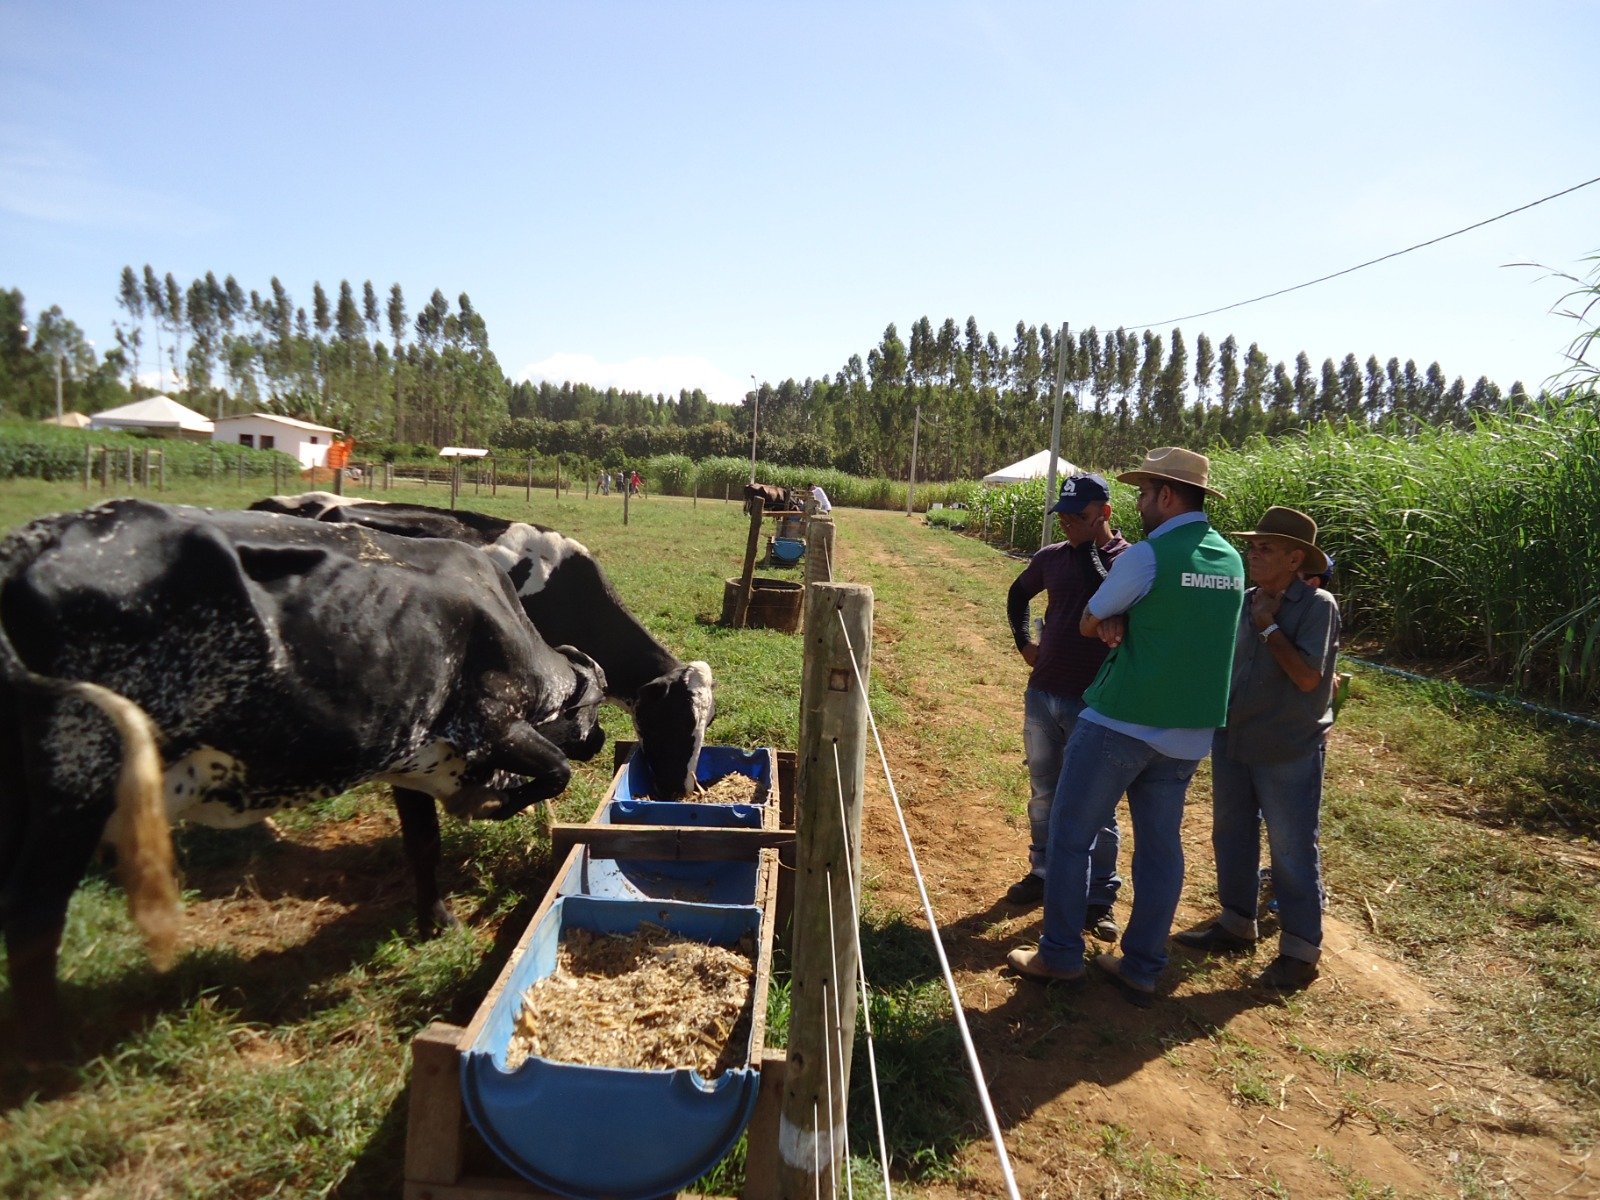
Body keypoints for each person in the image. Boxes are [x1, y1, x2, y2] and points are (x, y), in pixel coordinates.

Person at [1008, 447, 1244, 1004]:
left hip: (1121, 720)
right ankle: (1142, 966)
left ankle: (1060, 955)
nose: (1140, 503)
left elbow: (1092, 618)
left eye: (1144, 493)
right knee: (1161, 850)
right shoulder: (1229, 560)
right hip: (1189, 734)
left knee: (1069, 836)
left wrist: (1109, 616)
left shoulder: (1149, 554)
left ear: (1165, 495)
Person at [1176, 508, 1340, 990]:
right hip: (1235, 735)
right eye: (1252, 546)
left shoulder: (1317, 607)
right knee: (1231, 831)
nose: (1252, 553)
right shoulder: (1246, 599)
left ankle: (1300, 949)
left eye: (1265, 548)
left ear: (1295, 559)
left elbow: (1310, 677)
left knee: (1290, 846)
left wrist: (1269, 629)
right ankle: (1236, 922)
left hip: (1286, 744)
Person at [1003, 473, 1130, 944]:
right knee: (1043, 792)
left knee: (1099, 806)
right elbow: (1018, 595)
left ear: (1105, 513)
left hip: (1097, 702)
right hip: (1044, 693)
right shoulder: (1051, 558)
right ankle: (1044, 872)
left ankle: (1099, 898)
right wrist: (1024, 642)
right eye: (1064, 516)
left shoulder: (1131, 562)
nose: (1068, 525)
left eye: (1078, 516)